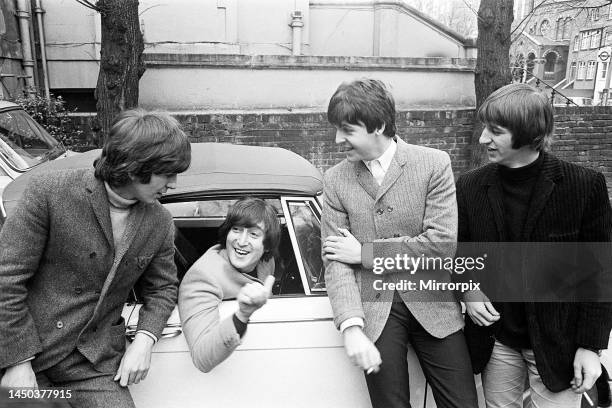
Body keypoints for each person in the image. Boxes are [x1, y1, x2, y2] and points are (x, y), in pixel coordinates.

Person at [0, 109, 191, 408]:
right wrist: (17, 361)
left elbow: (163, 289)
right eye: (167, 173)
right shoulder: (49, 193)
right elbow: (6, 279)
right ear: (134, 166)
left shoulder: (160, 222)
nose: (175, 183)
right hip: (31, 356)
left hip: (93, 366)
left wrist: (145, 339)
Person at [321, 78, 478, 408]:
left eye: (347, 130)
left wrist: (364, 252)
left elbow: (440, 245)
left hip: (434, 305)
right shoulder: (335, 179)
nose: (337, 139)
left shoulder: (434, 164)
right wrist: (350, 326)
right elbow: (335, 260)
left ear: (377, 125)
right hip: (374, 310)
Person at [456, 83, 612, 407]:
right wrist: (469, 290)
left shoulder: (584, 186)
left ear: (528, 133)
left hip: (561, 346)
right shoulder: (471, 186)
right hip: (496, 342)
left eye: (495, 131)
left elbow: (600, 275)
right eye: (485, 128)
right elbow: (458, 252)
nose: (484, 138)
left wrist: (590, 347)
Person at [179, 197, 279, 373]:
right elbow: (201, 357)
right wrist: (242, 314)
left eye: (254, 234)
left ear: (267, 246)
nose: (241, 241)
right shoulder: (203, 277)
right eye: (236, 230)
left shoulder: (266, 261)